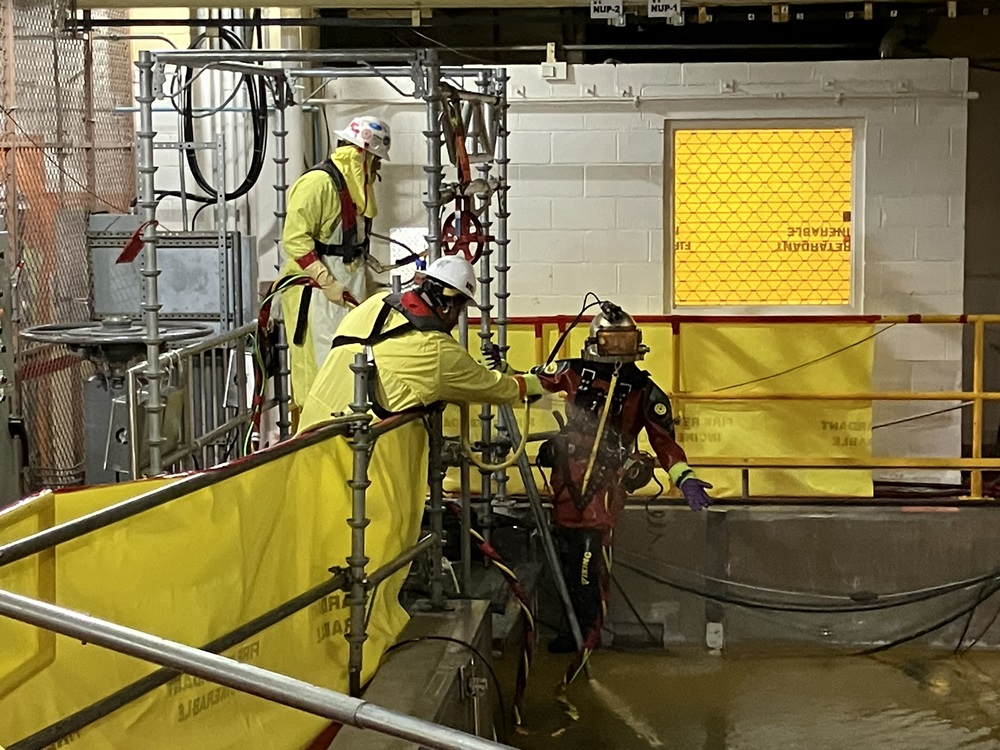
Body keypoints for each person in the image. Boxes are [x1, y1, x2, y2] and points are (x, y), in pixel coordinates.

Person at [491, 301, 712, 673]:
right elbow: (531, 384)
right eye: (612, 340)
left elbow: (664, 442)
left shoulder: (644, 391)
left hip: (605, 486)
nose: (620, 348)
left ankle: (588, 640)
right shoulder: (572, 372)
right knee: (566, 556)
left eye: (626, 340)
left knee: (589, 562)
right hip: (566, 480)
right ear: (595, 340)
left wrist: (684, 477)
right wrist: (500, 371)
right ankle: (572, 632)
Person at [298, 256, 540, 431]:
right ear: (448, 304)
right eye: (461, 309)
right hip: (354, 452)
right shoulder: (437, 351)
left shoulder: (376, 303)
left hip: (309, 430)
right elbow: (494, 387)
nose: (457, 320)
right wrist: (532, 383)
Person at [281, 115, 391, 420]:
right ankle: (313, 430)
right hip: (315, 295)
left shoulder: (354, 188)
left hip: (344, 289)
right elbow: (294, 239)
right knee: (321, 368)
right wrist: (325, 280)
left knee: (346, 362)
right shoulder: (318, 184)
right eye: (376, 160)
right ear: (362, 154)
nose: (378, 168)